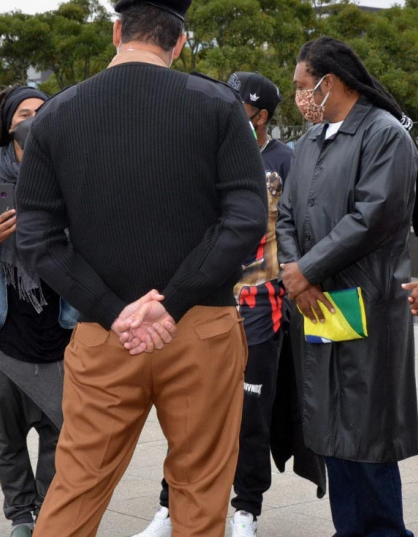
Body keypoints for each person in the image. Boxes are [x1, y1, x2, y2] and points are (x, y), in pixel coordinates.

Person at [15, 0, 268, 536]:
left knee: (77, 485)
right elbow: (246, 219)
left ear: (116, 33)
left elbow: (36, 237)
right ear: (179, 43)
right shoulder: (218, 105)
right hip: (201, 328)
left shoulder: (56, 116)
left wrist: (114, 310)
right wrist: (172, 303)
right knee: (200, 490)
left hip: (106, 334)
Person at [133, 71, 293, 537]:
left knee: (251, 413)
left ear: (259, 116)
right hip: (201, 300)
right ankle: (171, 505)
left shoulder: (285, 159)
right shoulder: (203, 149)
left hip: (262, 302)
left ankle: (246, 509)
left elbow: (293, 227)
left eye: (239, 103)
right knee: (188, 413)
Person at [276, 36, 418, 536]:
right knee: (332, 432)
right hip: (317, 309)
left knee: (367, 434)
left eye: (301, 86)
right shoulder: (309, 142)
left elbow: (372, 218)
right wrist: (297, 277)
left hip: (366, 305)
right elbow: (287, 217)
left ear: (328, 81)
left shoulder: (385, 135)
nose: (298, 96)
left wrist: (307, 270)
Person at [0, 85, 72, 537]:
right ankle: (20, 515)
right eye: (25, 112)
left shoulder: (69, 170)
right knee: (6, 434)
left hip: (60, 320)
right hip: (5, 322)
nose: (33, 118)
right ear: (9, 124)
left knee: (59, 427)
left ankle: (47, 508)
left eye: (42, 112)